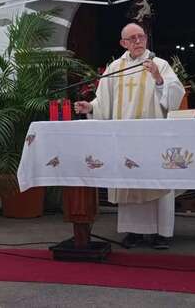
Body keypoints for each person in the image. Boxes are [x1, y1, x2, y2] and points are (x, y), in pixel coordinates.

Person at [74, 23, 185, 249]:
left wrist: (158, 78)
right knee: (129, 178)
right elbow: (104, 100)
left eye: (141, 36)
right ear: (123, 43)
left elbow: (175, 96)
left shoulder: (159, 64)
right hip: (124, 137)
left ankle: (161, 233)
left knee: (156, 179)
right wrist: (91, 107)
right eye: (132, 38)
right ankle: (134, 232)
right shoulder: (116, 67)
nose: (138, 41)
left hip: (152, 136)